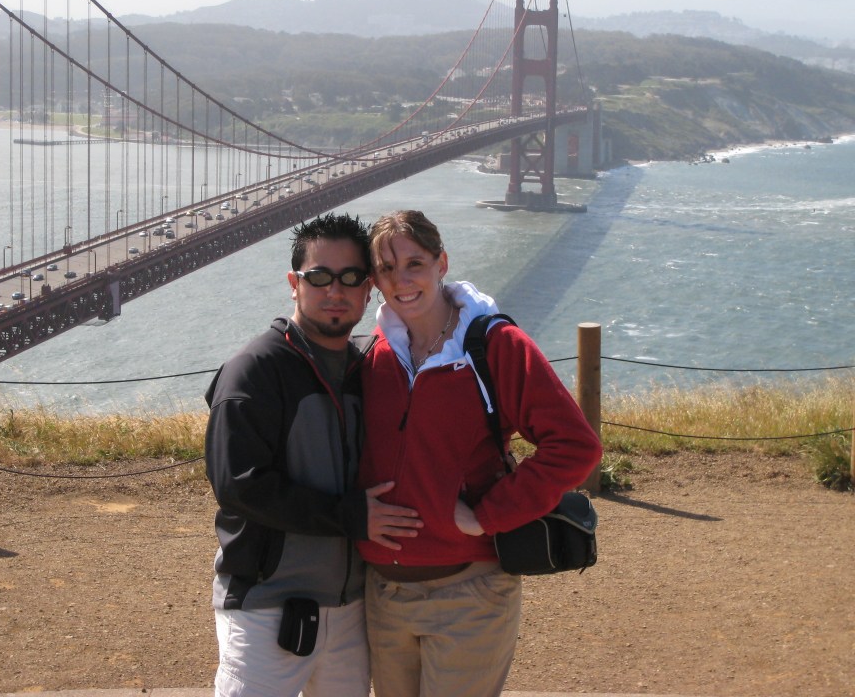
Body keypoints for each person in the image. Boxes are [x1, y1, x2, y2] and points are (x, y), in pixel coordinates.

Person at [356, 209, 603, 697]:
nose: (401, 280)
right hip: (384, 594)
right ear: (375, 281)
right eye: (386, 269)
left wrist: (488, 516)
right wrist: (354, 509)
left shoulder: (493, 344)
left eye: (415, 263)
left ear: (442, 263)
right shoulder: (372, 356)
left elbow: (576, 446)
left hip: (468, 593)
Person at [204, 212, 422, 697]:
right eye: (319, 277)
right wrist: (351, 516)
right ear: (294, 284)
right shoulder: (255, 371)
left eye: (351, 277)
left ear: (369, 289)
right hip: (266, 605)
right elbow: (239, 486)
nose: (335, 291)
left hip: (352, 607)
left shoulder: (370, 368)